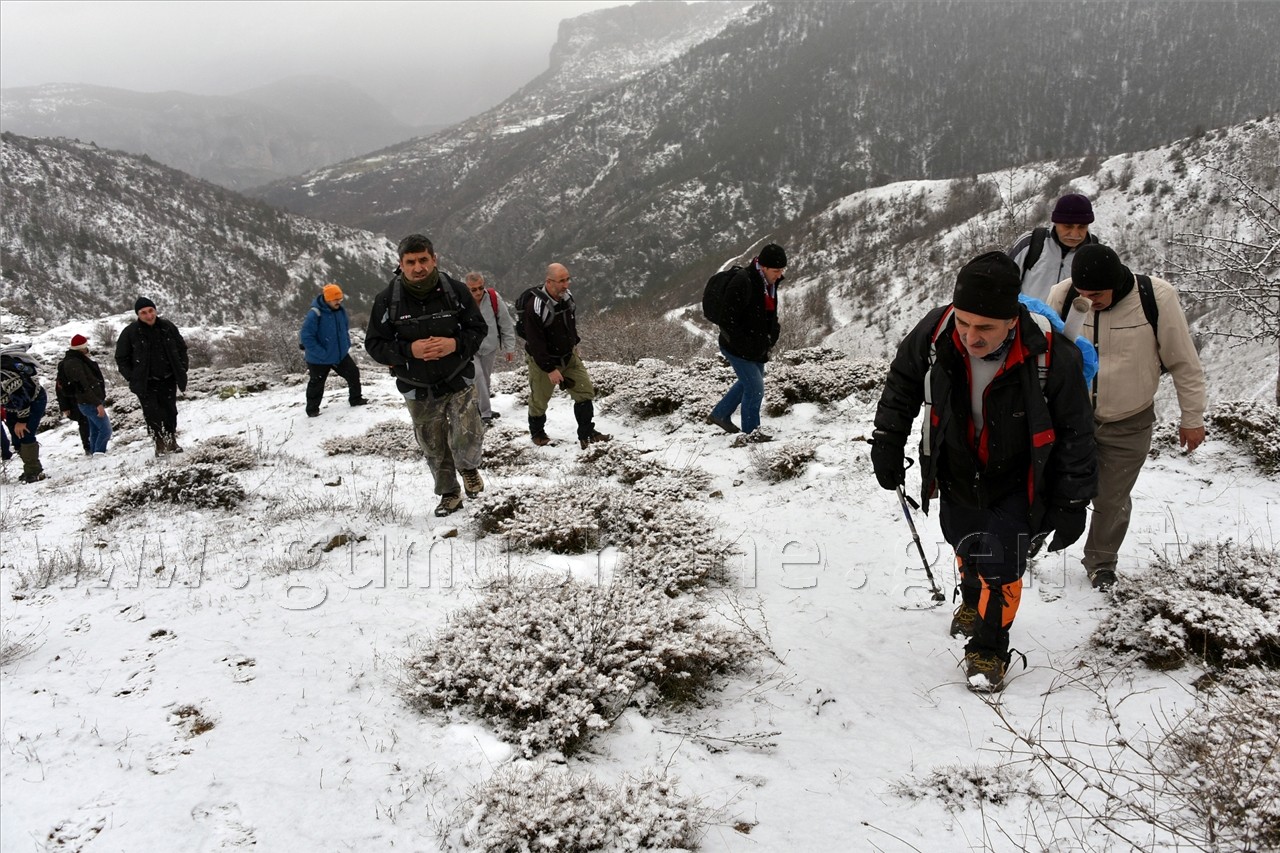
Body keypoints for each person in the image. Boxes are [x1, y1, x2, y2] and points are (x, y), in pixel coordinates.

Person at [872, 251, 1098, 692]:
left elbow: (1076, 433)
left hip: (1018, 477)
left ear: (1012, 319)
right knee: (963, 538)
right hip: (955, 463)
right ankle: (973, 601)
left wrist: (1073, 502)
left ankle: (990, 648)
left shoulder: (1051, 354)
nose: (971, 337)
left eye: (985, 328)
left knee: (1002, 560)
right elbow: (902, 383)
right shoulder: (936, 331)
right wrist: (887, 439)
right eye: (964, 323)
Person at [1047, 244, 1206, 590]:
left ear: (1116, 283)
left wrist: (1191, 417)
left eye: (1097, 294)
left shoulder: (1156, 297)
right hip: (1071, 418)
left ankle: (1101, 562)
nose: (1088, 300)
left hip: (1128, 419)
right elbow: (1045, 353)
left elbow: (1183, 361)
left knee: (1111, 496)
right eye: (1082, 292)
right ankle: (1033, 537)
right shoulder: (1062, 295)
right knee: (1053, 482)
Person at [365, 234, 488, 517]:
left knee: (468, 435)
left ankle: (468, 468)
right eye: (411, 262)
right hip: (416, 385)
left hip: (458, 378)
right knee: (432, 444)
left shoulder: (455, 291)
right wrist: (410, 350)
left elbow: (477, 329)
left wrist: (454, 344)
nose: (418, 267)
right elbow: (374, 344)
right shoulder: (387, 300)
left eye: (423, 260)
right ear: (401, 264)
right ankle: (449, 493)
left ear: (434, 259)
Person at [521, 263, 611, 449]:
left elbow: (570, 324)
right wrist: (550, 368)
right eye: (561, 281)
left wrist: (574, 344)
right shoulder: (535, 307)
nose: (566, 284)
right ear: (549, 281)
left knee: (585, 391)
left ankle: (586, 433)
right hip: (543, 361)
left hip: (568, 356)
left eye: (567, 279)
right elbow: (535, 342)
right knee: (540, 399)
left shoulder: (566, 298)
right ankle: (537, 432)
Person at [707, 243, 786, 440]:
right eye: (776, 270)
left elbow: (770, 316)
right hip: (736, 347)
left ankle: (720, 414)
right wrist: (745, 346)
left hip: (757, 347)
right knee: (755, 387)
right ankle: (751, 433)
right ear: (764, 267)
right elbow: (728, 321)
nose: (779, 275)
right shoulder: (743, 282)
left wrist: (770, 338)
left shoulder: (769, 285)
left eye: (781, 270)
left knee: (748, 382)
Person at [115, 297, 189, 456]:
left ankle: (171, 440)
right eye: (144, 313)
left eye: (151, 311)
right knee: (152, 414)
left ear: (155, 310)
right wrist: (132, 377)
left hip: (168, 379)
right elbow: (121, 359)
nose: (148, 316)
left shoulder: (167, 327)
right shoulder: (130, 332)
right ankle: (159, 443)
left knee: (170, 411)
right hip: (146, 383)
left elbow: (182, 348)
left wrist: (182, 368)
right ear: (138, 314)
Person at [1007, 193, 1102, 302]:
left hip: (1070, 319)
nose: (1075, 234)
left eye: (1082, 227)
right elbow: (1002, 282)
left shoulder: (1094, 253)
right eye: (1068, 226)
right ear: (1055, 222)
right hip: (1028, 317)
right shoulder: (1030, 243)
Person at [301, 283, 367, 417]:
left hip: (339, 355)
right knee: (317, 383)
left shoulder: (340, 311)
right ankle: (312, 410)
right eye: (335, 299)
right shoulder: (315, 314)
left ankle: (356, 399)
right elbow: (306, 337)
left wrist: (346, 344)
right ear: (327, 299)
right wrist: (322, 353)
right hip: (319, 358)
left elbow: (343, 329)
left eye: (340, 299)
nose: (339, 302)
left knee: (353, 373)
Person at [465, 272, 517, 424]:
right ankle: (485, 414)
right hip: (470, 348)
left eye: (480, 288)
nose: (478, 292)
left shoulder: (493, 298)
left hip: (489, 347)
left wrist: (510, 347)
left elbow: (505, 323)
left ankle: (481, 409)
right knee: (478, 377)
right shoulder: (461, 302)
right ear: (467, 289)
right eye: (473, 289)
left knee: (485, 379)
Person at [57, 334, 112, 456]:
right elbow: (83, 386)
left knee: (95, 430)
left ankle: (94, 452)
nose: (87, 349)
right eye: (85, 346)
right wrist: (97, 403)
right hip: (89, 402)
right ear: (80, 348)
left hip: (88, 402)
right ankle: (99, 453)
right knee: (106, 430)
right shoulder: (74, 363)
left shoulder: (76, 361)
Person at [1, 344, 50, 483]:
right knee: (16, 439)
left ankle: (34, 472)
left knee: (25, 434)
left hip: (34, 399)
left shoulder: (4, 376)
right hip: (12, 405)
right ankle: (29, 468)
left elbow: (21, 398)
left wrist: (22, 421)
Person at [55, 350, 92, 456]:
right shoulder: (66, 367)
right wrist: (65, 406)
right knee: (84, 422)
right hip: (75, 400)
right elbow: (59, 389)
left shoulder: (84, 363)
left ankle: (92, 445)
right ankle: (88, 446)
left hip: (86, 398)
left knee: (88, 422)